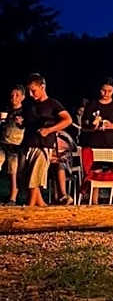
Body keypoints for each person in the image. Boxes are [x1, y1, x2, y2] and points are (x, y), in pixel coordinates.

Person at [22, 74, 72, 207]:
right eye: (29, 91)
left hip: (43, 145)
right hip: (29, 144)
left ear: (42, 87)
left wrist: (49, 130)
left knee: (34, 178)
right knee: (30, 178)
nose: (31, 94)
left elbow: (68, 120)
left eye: (34, 91)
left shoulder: (53, 104)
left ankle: (29, 209)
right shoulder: (30, 105)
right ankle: (42, 206)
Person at [81, 78, 113, 168]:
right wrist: (92, 127)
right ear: (99, 89)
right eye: (104, 90)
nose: (106, 94)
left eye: (109, 91)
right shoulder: (92, 104)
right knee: (94, 173)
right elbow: (84, 125)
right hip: (94, 145)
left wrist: (111, 125)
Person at [0, 85, 26, 204]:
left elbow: (26, 126)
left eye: (17, 95)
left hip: (16, 145)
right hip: (3, 142)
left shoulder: (24, 112)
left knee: (13, 170)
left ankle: (13, 196)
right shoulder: (7, 110)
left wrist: (21, 123)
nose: (14, 98)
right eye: (12, 95)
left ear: (22, 97)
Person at [49, 129, 78, 205]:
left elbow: (73, 148)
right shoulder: (47, 133)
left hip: (63, 163)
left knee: (60, 165)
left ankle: (63, 195)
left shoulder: (64, 135)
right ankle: (61, 197)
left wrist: (57, 157)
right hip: (47, 161)